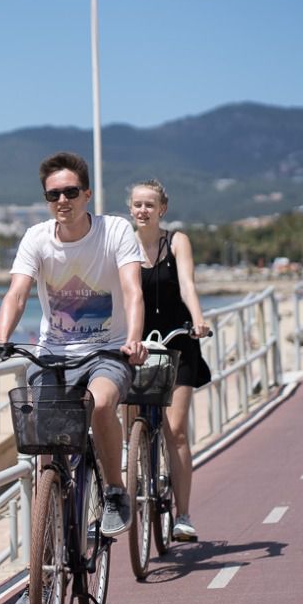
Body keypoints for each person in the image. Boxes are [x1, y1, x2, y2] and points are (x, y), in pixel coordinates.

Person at [0, 151, 147, 604]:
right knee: (44, 455)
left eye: (71, 192)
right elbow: (17, 291)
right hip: (53, 354)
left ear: (87, 194)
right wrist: (1, 337)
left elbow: (132, 290)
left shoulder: (114, 231)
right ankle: (45, 568)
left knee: (99, 404)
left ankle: (113, 490)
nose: (63, 201)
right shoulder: (36, 238)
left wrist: (133, 340)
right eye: (54, 194)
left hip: (108, 351)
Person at [129, 179, 212, 542]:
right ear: (130, 209)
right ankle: (137, 481)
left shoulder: (176, 241)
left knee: (175, 429)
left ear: (163, 208)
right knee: (134, 429)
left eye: (150, 204)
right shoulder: (124, 244)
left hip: (178, 342)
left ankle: (183, 515)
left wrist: (198, 320)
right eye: (137, 204)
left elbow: (187, 285)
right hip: (138, 346)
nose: (143, 210)